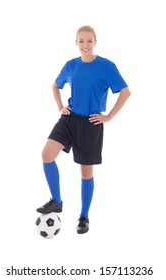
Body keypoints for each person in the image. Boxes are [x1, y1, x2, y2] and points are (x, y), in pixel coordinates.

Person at [36, 25, 131, 234]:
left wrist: (109, 116)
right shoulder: (71, 66)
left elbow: (125, 92)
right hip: (69, 120)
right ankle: (57, 201)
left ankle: (84, 216)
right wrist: (60, 106)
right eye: (81, 41)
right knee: (46, 155)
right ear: (76, 43)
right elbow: (55, 85)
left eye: (89, 41)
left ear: (95, 42)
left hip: (91, 124)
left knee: (86, 173)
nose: (85, 45)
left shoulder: (106, 66)